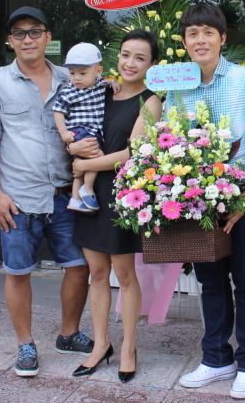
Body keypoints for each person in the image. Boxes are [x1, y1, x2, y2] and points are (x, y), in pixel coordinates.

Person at [0, 6, 93, 378]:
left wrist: (115, 87)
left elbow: (98, 103)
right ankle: (25, 343)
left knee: (79, 267)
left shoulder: (70, 77)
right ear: (10, 41)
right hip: (18, 197)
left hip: (66, 193)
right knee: (18, 271)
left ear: (47, 37)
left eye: (35, 31)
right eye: (20, 33)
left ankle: (68, 334)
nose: (28, 39)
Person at [174, 4, 245, 400]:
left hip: (244, 198)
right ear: (184, 42)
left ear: (222, 38)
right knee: (210, 281)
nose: (200, 40)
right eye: (192, 34)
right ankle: (217, 358)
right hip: (200, 203)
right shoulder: (179, 87)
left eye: (207, 32)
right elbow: (173, 138)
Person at [68, 29, 162, 383]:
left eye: (140, 57)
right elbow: (77, 127)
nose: (130, 63)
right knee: (96, 273)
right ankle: (100, 344)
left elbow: (132, 153)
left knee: (123, 274)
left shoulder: (151, 101)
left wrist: (85, 165)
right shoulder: (101, 92)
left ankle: (128, 348)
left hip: (122, 194)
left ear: (151, 64)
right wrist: (73, 150)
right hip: (89, 193)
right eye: (125, 55)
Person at [52, 42, 107, 213]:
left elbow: (108, 82)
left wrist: (114, 84)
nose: (76, 78)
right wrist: (63, 132)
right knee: (97, 156)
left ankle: (75, 199)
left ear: (98, 71)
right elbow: (58, 111)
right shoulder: (69, 91)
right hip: (80, 131)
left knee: (82, 164)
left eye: (82, 73)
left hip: (93, 131)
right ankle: (87, 189)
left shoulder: (100, 84)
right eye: (72, 73)